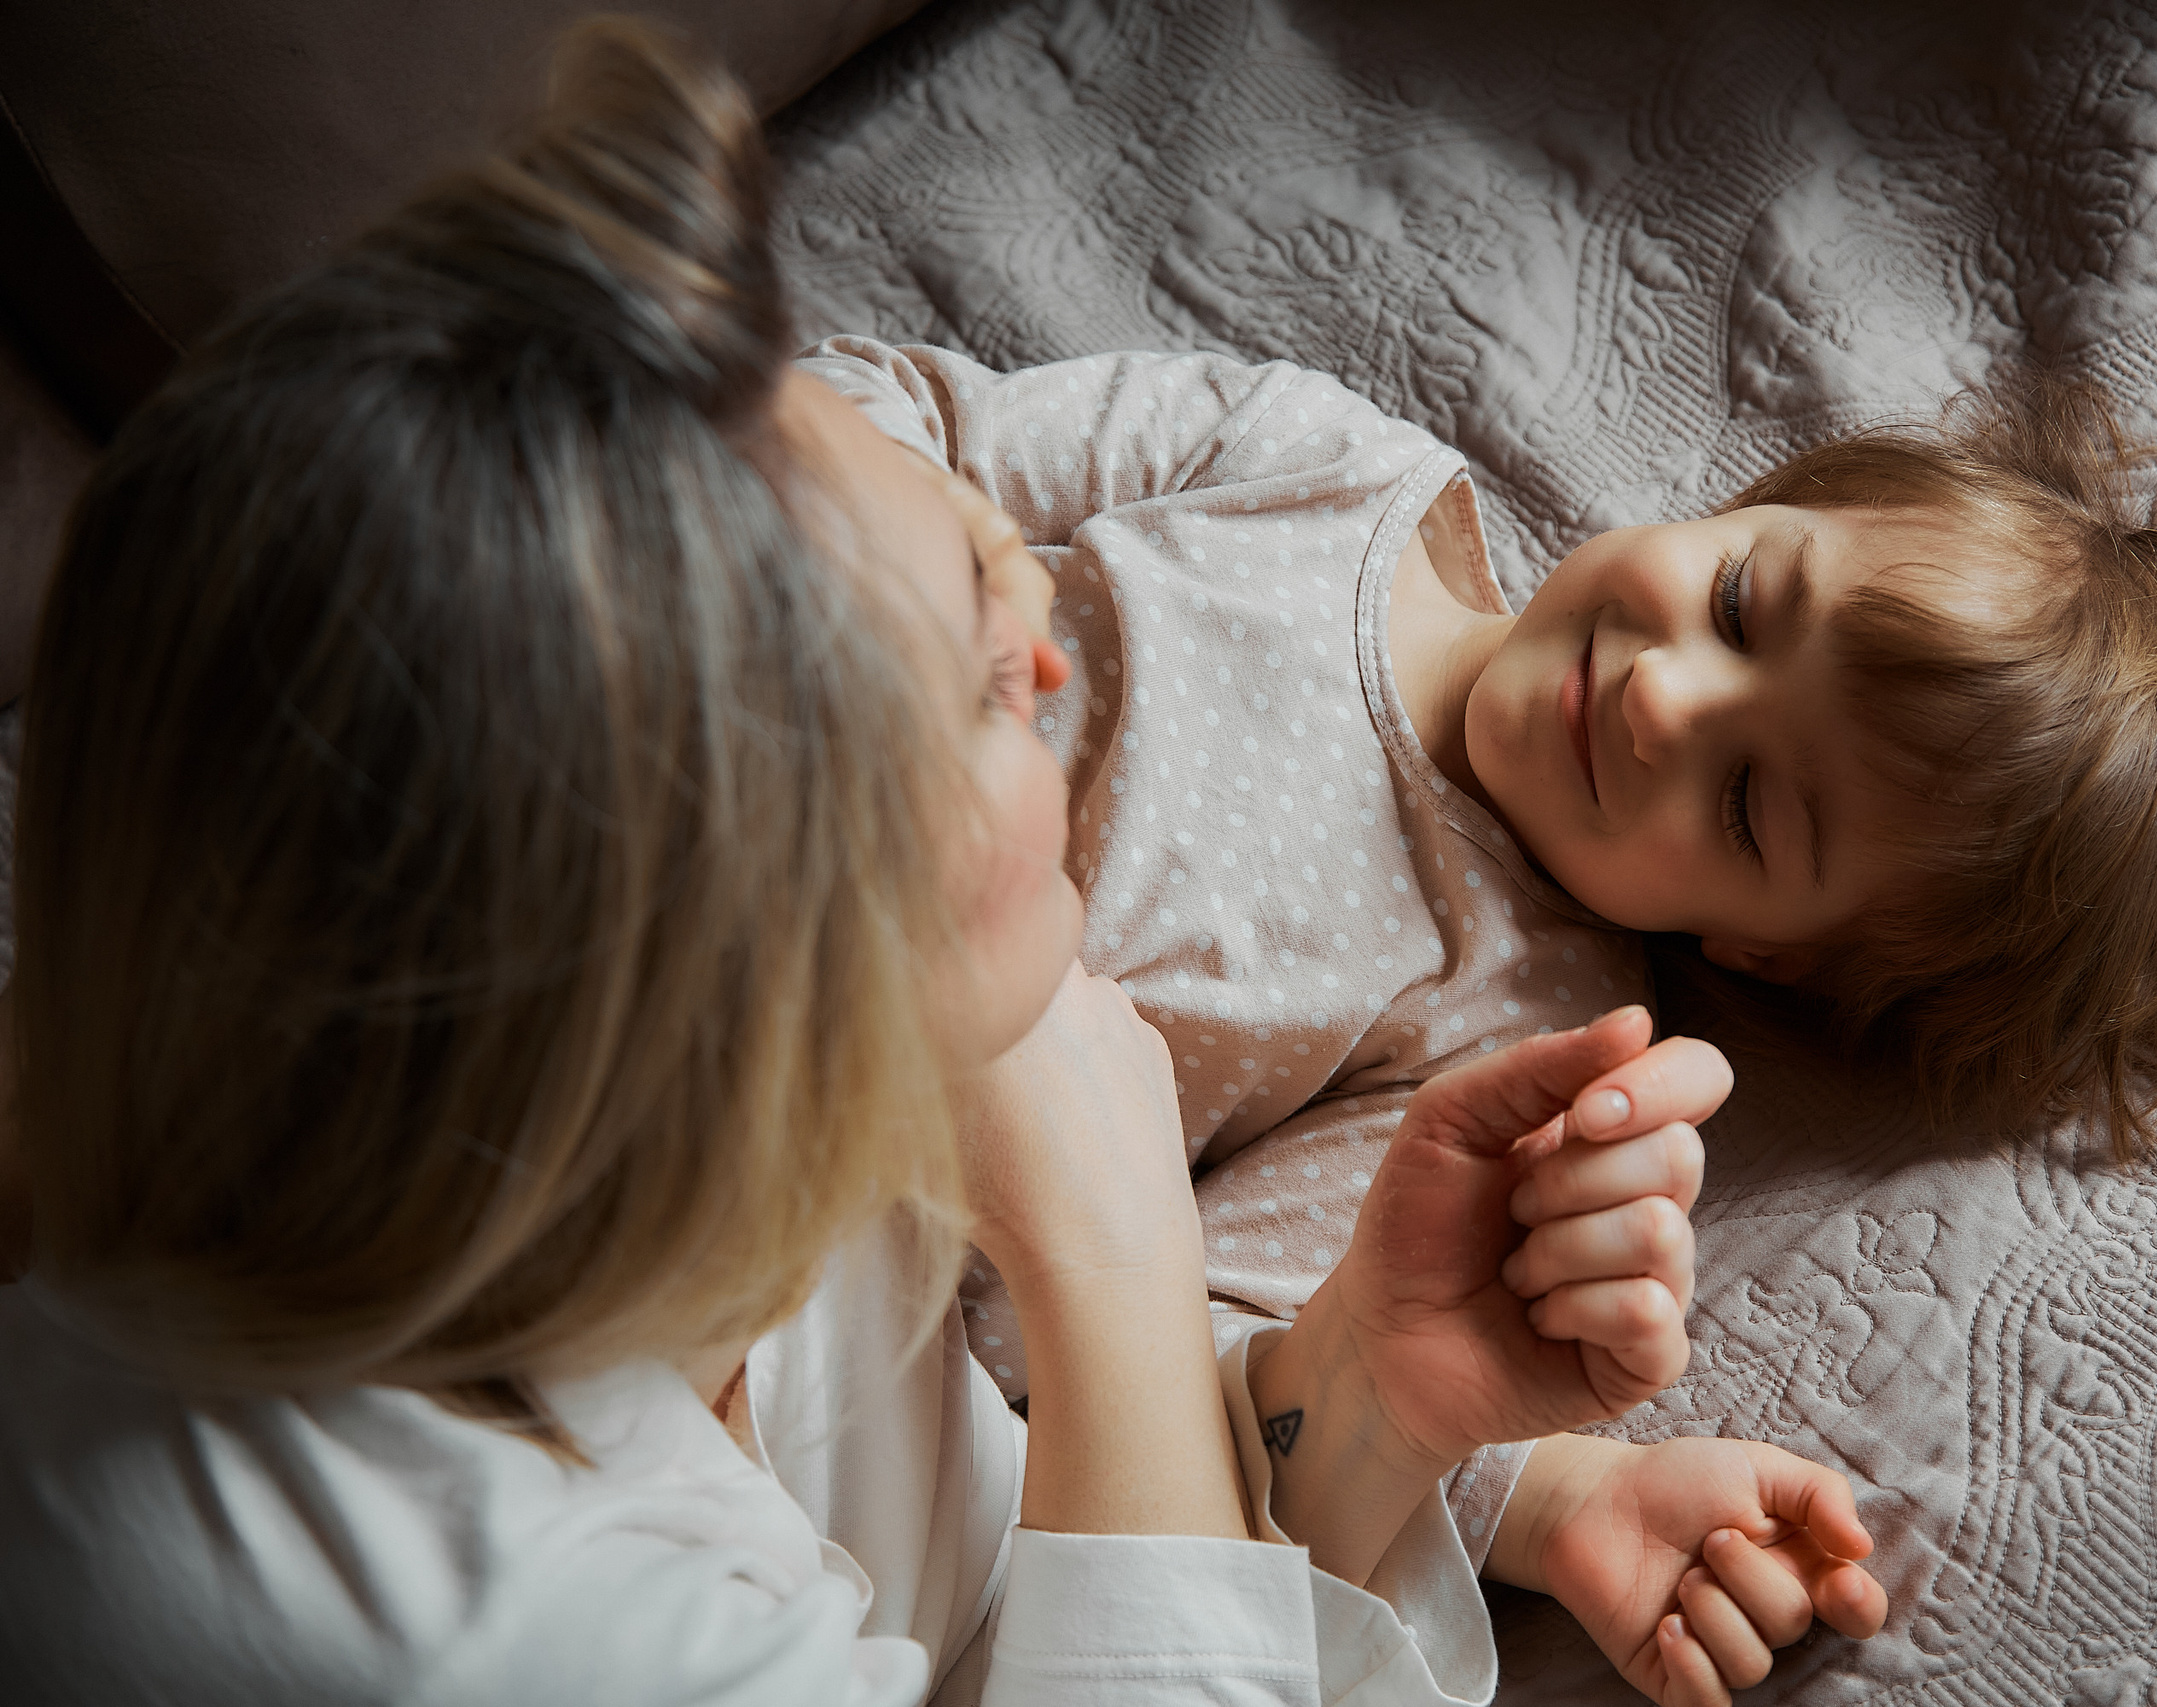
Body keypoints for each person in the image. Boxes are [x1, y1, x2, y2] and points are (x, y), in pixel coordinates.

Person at [0, 21, 1884, 1707]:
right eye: (989, 680)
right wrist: (1111, 1246)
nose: (1060, 650)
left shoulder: (676, 1175)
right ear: (740, 945)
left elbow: (1049, 1584)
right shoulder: (492, 1632)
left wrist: (1378, 1392)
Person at [794, 309, 2157, 1566]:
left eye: (1750, 807)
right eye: (1739, 599)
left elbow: (1175, 1376)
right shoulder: (1325, 471)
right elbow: (883, 416)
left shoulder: (1513, 1033)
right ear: (1762, 500)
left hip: (782, 1163)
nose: (1661, 697)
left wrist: (1532, 1503)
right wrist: (899, 583)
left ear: (1771, 950)